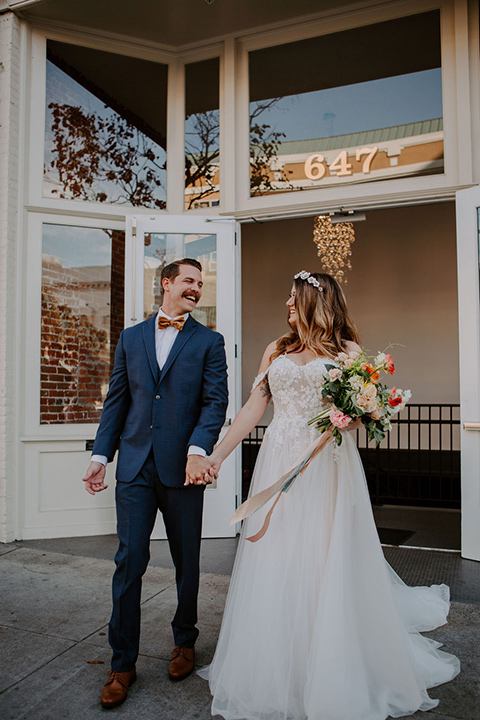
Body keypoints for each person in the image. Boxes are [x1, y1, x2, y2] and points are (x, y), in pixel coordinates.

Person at [199, 271, 460, 720]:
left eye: (291, 296)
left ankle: (331, 658)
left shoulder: (348, 352)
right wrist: (217, 455)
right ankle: (279, 653)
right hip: (279, 458)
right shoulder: (276, 350)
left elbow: (372, 410)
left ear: (312, 301)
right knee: (279, 553)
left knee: (324, 554)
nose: (286, 302)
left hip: (326, 463)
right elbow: (252, 409)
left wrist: (350, 415)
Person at [82, 258, 228, 709]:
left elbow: (215, 402)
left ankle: (185, 640)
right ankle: (121, 663)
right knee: (129, 561)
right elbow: (117, 401)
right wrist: (100, 456)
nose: (196, 289)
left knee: (187, 562)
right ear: (165, 284)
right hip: (134, 470)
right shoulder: (131, 337)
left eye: (200, 284)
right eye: (189, 281)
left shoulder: (210, 341)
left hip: (184, 469)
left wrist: (199, 451)